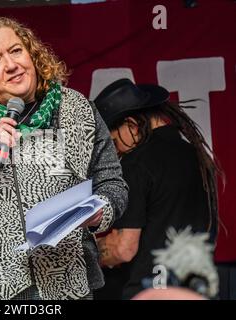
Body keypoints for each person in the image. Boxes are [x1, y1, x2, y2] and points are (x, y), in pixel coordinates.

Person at [0, 15, 128, 300]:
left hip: (66, 281)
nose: (10, 65)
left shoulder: (77, 109)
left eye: (16, 50)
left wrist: (100, 210)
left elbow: (112, 182)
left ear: (32, 53)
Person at [93, 78, 223, 299]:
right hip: (198, 289)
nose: (115, 154)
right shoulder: (194, 154)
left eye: (113, 143)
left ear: (132, 126)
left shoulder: (136, 162)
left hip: (154, 289)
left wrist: (86, 252)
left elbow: (123, 249)